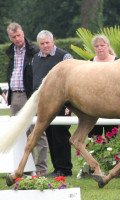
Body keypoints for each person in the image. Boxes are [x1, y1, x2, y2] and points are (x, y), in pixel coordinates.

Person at [6, 22, 48, 176]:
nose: (17, 39)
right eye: (13, 37)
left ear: (22, 33)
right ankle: (24, 169)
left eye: (18, 35)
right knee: (18, 134)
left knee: (38, 133)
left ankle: (41, 169)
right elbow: (12, 71)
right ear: (9, 38)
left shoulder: (34, 50)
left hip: (30, 96)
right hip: (14, 96)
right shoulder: (10, 51)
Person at [32, 30, 73, 177]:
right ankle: (57, 169)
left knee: (60, 135)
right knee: (50, 135)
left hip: (62, 104)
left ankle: (65, 169)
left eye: (47, 42)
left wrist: (69, 106)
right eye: (42, 43)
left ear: (53, 41)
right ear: (39, 44)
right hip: (44, 105)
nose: (45, 46)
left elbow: (72, 81)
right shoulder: (35, 58)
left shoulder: (64, 56)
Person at [88, 34, 119, 138]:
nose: (100, 48)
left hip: (113, 106)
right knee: (95, 138)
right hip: (94, 106)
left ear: (107, 45)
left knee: (113, 138)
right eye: (97, 46)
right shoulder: (89, 63)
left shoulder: (117, 61)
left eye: (102, 45)